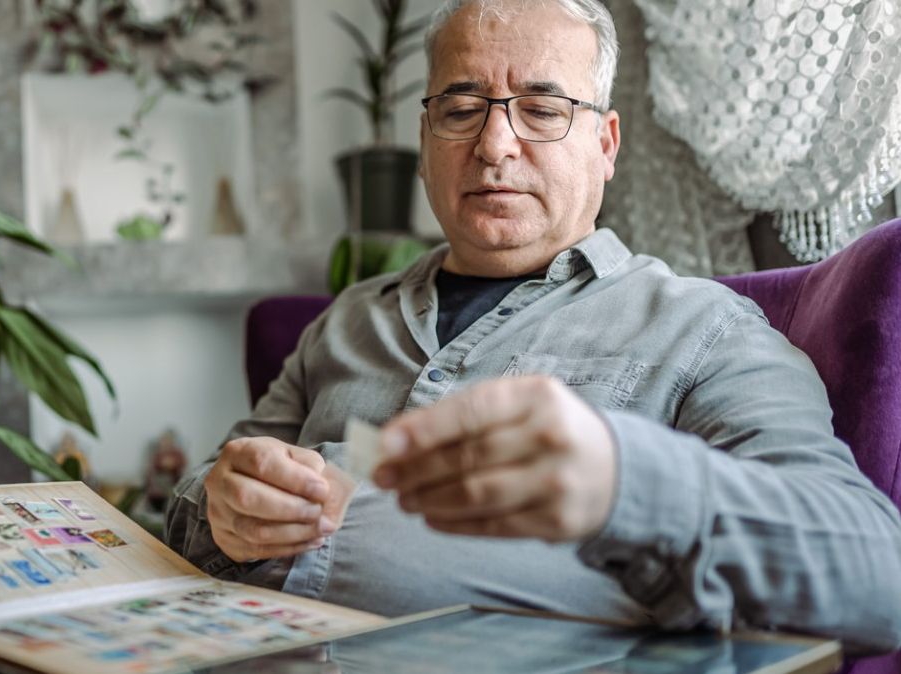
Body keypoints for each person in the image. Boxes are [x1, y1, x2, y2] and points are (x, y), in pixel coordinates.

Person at [165, 0, 901, 654]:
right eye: (461, 108)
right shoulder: (348, 319)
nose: (493, 146)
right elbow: (207, 485)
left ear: (606, 145)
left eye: (543, 110)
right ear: (425, 142)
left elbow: (877, 574)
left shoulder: (701, 328)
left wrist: (626, 481)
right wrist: (223, 509)